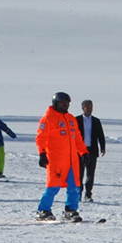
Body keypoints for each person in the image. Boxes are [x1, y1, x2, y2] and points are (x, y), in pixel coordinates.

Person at [35, 92, 86, 222]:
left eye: (67, 103)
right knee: (53, 186)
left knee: (75, 187)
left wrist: (83, 152)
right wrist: (42, 153)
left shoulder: (71, 119)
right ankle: (43, 210)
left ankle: (70, 210)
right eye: (63, 102)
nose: (66, 105)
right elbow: (41, 138)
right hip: (56, 160)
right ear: (55, 103)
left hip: (72, 160)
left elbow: (77, 138)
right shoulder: (48, 119)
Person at [78, 99, 108, 202]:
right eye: (87, 107)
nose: (89, 109)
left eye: (91, 107)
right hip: (79, 151)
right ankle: (78, 194)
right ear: (83, 108)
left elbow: (100, 135)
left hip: (92, 150)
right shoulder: (76, 120)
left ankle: (88, 194)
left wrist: (103, 147)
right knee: (79, 175)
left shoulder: (96, 121)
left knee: (90, 174)